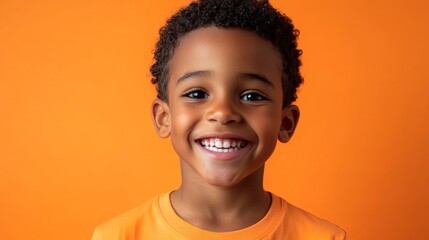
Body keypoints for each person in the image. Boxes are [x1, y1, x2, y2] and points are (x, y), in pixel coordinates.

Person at [91, 0, 346, 239]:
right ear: (163, 118)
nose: (223, 112)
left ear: (286, 122)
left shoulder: (323, 237)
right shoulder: (118, 236)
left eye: (251, 96)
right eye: (197, 93)